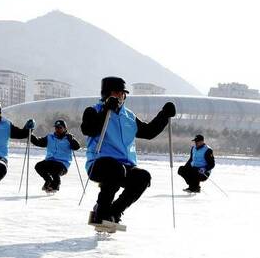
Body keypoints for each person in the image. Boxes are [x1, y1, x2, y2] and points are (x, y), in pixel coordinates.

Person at [81, 76, 176, 226]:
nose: (120, 96)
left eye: (122, 93)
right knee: (115, 170)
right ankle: (101, 212)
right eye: (115, 93)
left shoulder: (129, 116)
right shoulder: (93, 111)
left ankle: (114, 212)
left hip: (125, 166)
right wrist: (106, 109)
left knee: (143, 177)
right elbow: (88, 129)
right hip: (99, 164)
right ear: (106, 94)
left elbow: (149, 132)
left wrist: (164, 115)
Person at [30, 119, 81, 193]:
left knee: (55, 168)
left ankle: (55, 185)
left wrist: (72, 140)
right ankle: (48, 181)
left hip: (62, 165)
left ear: (65, 128)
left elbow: (76, 147)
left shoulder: (68, 138)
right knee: (38, 166)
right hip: (50, 161)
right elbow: (38, 142)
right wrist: (29, 133)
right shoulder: (50, 137)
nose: (57, 129)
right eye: (56, 127)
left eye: (60, 128)